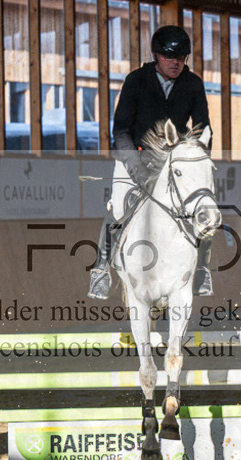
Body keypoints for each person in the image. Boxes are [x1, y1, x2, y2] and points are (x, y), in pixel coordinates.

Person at [87, 24, 214, 300]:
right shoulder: (136, 80)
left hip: (173, 159)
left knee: (202, 204)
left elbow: (203, 126)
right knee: (118, 206)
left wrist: (196, 159)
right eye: (170, 58)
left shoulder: (193, 84)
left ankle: (202, 270)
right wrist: (134, 165)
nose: (176, 63)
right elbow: (120, 129)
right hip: (134, 154)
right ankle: (100, 270)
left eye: (181, 58)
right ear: (156, 55)